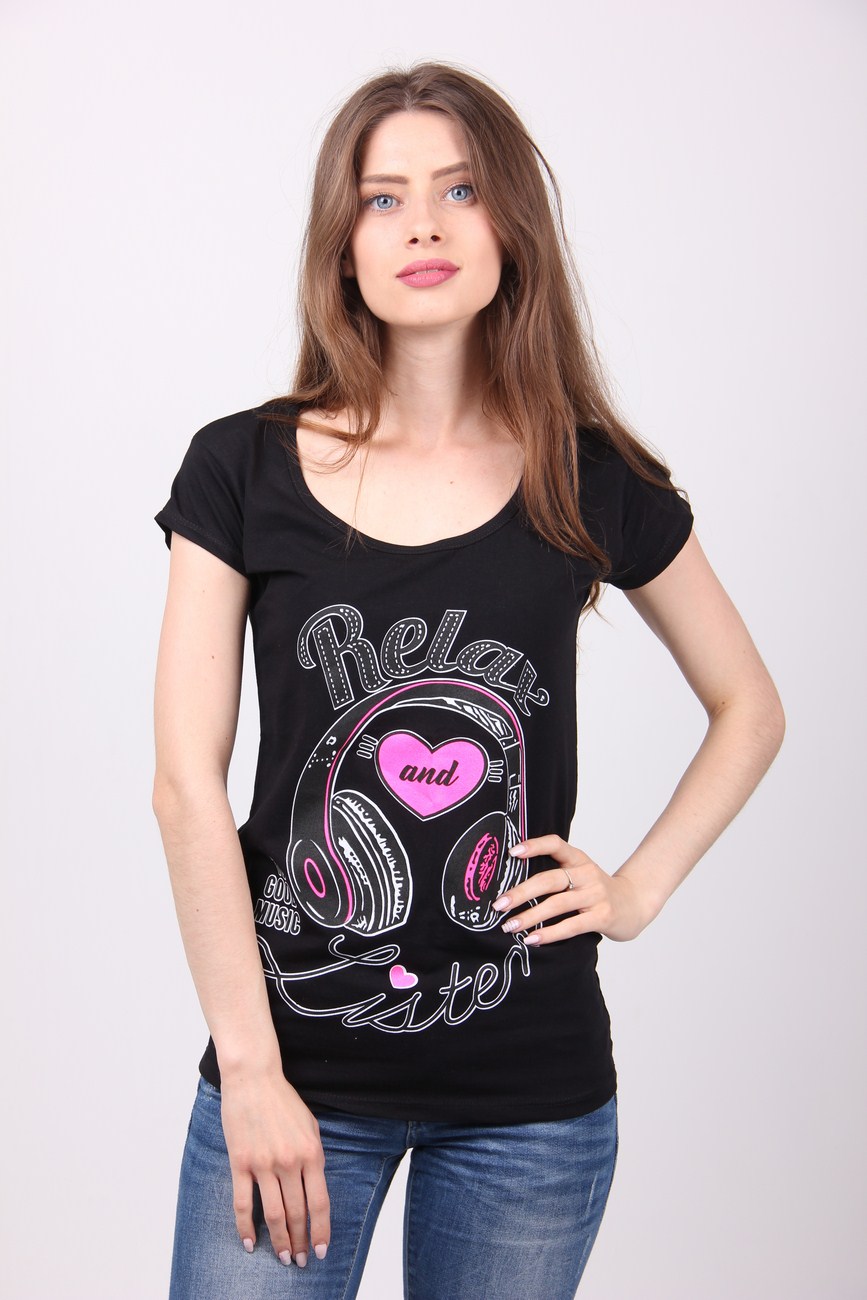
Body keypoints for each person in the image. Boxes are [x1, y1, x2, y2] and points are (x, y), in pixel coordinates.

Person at [152, 60, 785, 1300]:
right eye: (383, 199)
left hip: (531, 1104)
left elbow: (749, 707)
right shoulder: (240, 470)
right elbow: (185, 785)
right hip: (292, 1084)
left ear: (511, 228)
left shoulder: (586, 477)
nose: (424, 226)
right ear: (343, 247)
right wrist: (253, 1069)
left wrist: (636, 889)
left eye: (459, 190)